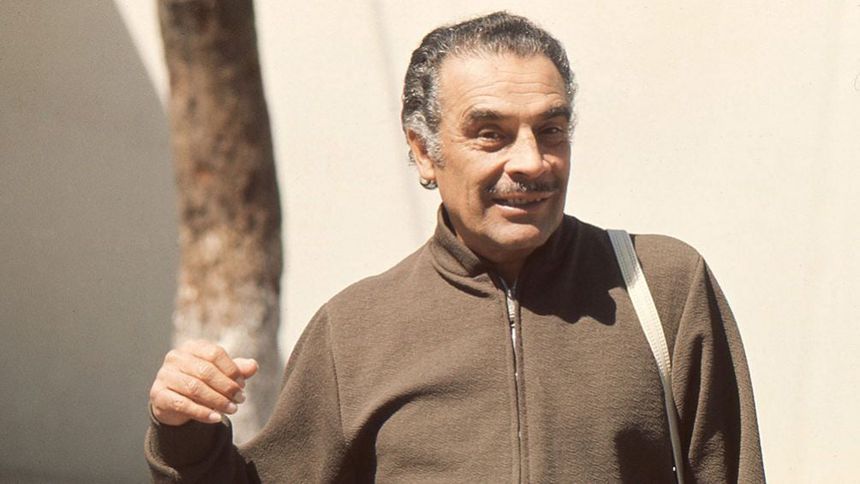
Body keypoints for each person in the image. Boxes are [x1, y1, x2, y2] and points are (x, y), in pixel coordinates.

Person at [146, 12, 764, 483]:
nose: (531, 162)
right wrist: (184, 432)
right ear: (423, 151)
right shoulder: (353, 332)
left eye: (550, 130)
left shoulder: (661, 288)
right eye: (491, 134)